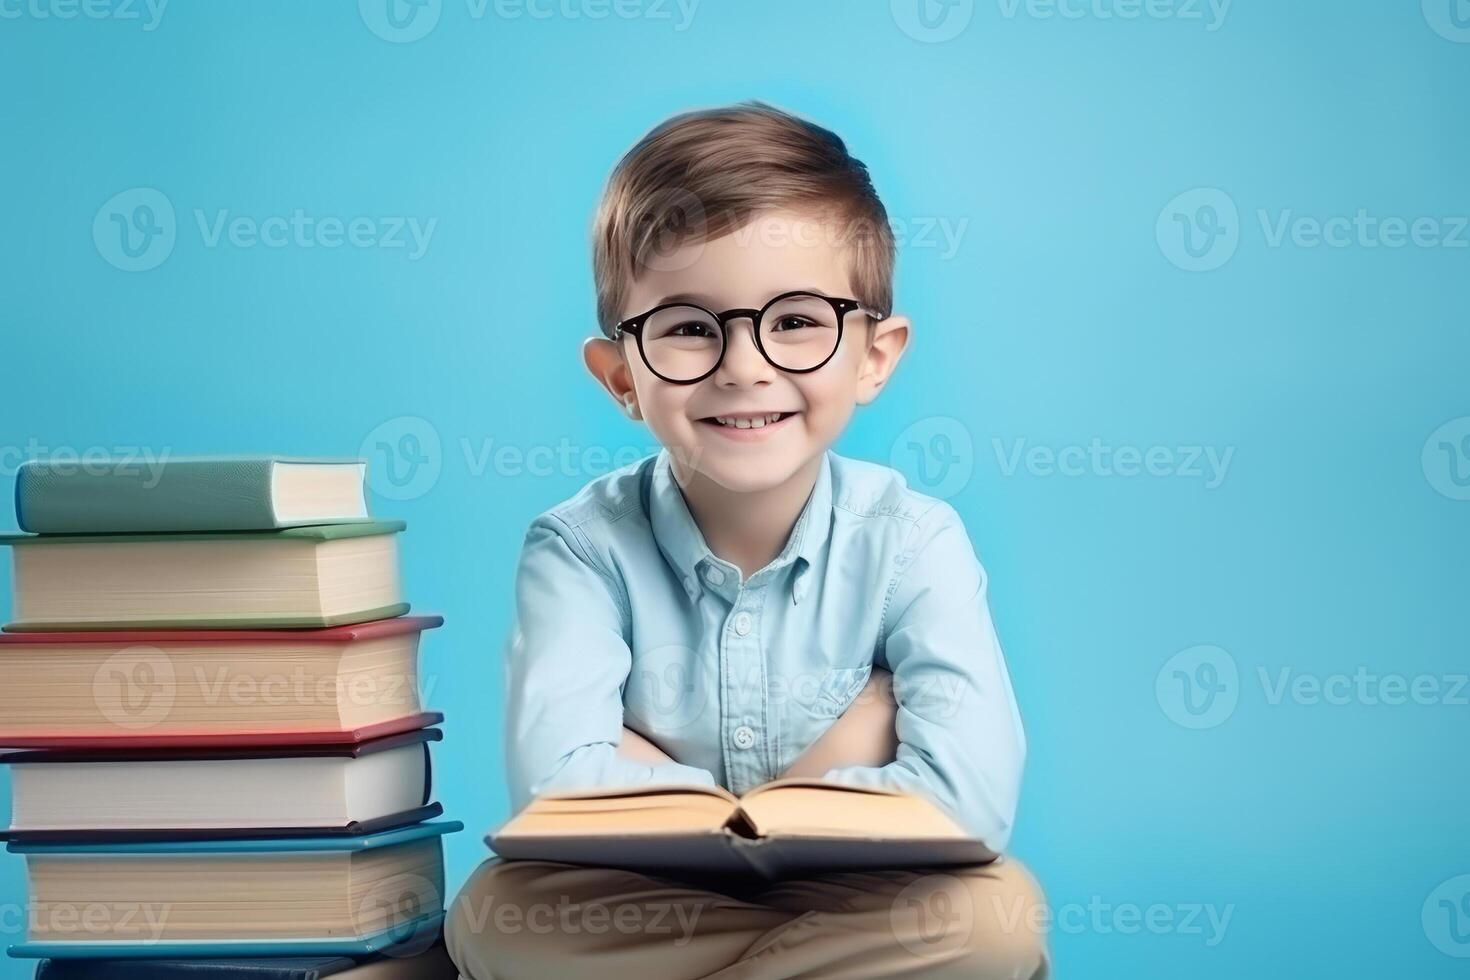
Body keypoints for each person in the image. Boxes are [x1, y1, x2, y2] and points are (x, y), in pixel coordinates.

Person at [447, 102, 1048, 980]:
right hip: (648, 903)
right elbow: (555, 794)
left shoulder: (915, 540)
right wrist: (815, 773)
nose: (744, 365)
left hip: (866, 896)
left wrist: (656, 779)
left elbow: (969, 802)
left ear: (874, 356)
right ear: (622, 376)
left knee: (994, 919)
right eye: (689, 327)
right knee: (496, 915)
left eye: (798, 320)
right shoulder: (579, 549)